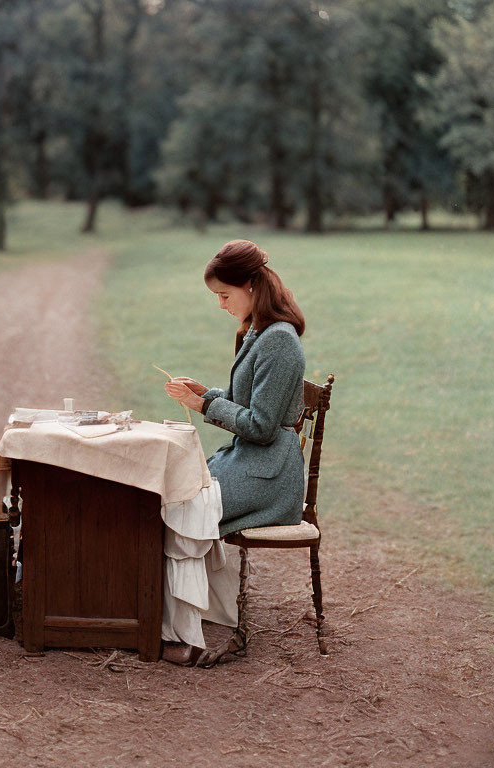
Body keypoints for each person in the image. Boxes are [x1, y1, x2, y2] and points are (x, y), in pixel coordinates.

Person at [162, 239, 306, 665]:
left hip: (269, 473)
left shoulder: (279, 341)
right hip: (252, 460)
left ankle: (187, 634)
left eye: (224, 295)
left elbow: (262, 426)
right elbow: (253, 401)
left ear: (250, 287)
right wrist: (206, 392)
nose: (221, 304)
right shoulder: (260, 332)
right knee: (175, 496)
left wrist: (205, 406)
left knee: (183, 508)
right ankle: (192, 620)